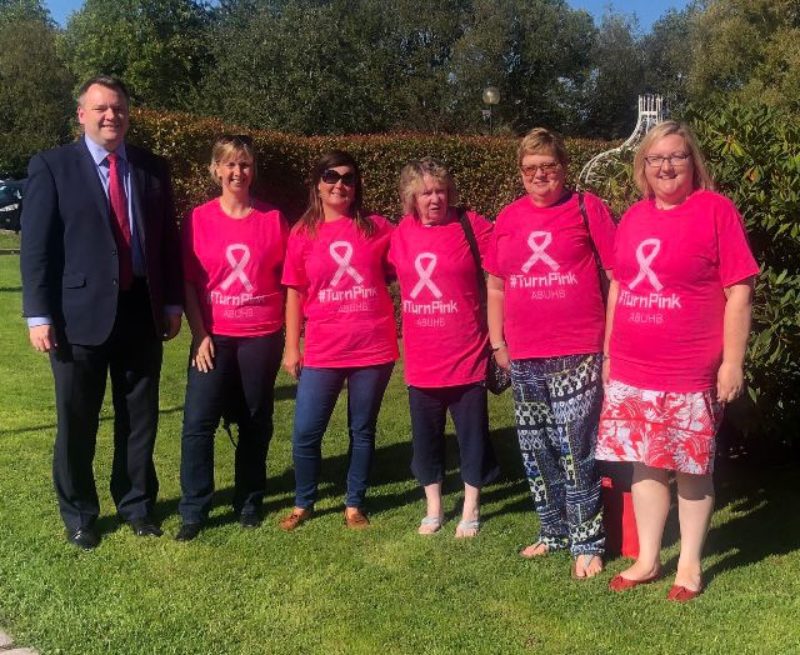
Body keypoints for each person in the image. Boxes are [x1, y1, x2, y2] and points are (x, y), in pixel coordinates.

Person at [596, 121, 759, 601]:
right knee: (645, 464)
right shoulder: (633, 219)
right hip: (632, 367)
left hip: (689, 370)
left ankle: (688, 564)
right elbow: (620, 288)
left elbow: (739, 291)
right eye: (656, 158)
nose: (666, 166)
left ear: (693, 163)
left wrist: (733, 362)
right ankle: (648, 558)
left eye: (677, 157)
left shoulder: (715, 211)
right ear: (643, 168)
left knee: (690, 467)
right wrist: (609, 352)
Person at [20, 75, 183, 550]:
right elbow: (37, 249)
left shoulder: (152, 168)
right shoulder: (52, 166)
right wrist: (38, 315)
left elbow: (167, 242)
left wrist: (172, 301)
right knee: (77, 420)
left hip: (141, 311)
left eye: (119, 108)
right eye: (101, 108)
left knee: (140, 419)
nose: (111, 115)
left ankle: (136, 505)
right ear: (82, 115)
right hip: (77, 317)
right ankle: (79, 514)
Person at [485, 127, 616, 578]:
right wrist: (497, 341)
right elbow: (496, 285)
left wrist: (611, 342)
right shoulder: (508, 218)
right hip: (523, 352)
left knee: (576, 448)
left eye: (549, 166)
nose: (540, 175)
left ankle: (588, 541)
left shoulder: (587, 207)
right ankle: (553, 530)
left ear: (564, 167)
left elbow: (617, 274)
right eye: (531, 168)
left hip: (577, 347)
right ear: (520, 172)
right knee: (536, 447)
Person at [175, 136, 288, 541]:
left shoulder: (273, 219)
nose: (238, 172)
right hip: (214, 338)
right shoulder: (197, 219)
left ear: (252, 171)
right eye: (230, 165)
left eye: (245, 165)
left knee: (256, 420)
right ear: (216, 170)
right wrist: (200, 334)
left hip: (261, 335)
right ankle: (194, 509)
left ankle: (249, 499)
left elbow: (289, 279)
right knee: (197, 423)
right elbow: (189, 282)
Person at [279, 150, 398, 531]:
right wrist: (292, 346)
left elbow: (416, 252)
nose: (339, 184)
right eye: (331, 176)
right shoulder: (302, 233)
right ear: (317, 183)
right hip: (323, 347)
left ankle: (354, 503)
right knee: (306, 430)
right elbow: (295, 292)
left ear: (357, 184)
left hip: (372, 345)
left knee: (362, 429)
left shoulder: (377, 228)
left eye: (348, 177)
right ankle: (303, 501)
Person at [388, 158, 499, 537]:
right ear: (411, 198)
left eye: (439, 190)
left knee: (472, 436)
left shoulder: (471, 226)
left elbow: (506, 262)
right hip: (422, 361)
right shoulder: (399, 233)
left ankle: (471, 506)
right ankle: (433, 507)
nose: (434, 198)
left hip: (467, 354)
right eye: (425, 193)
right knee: (426, 441)